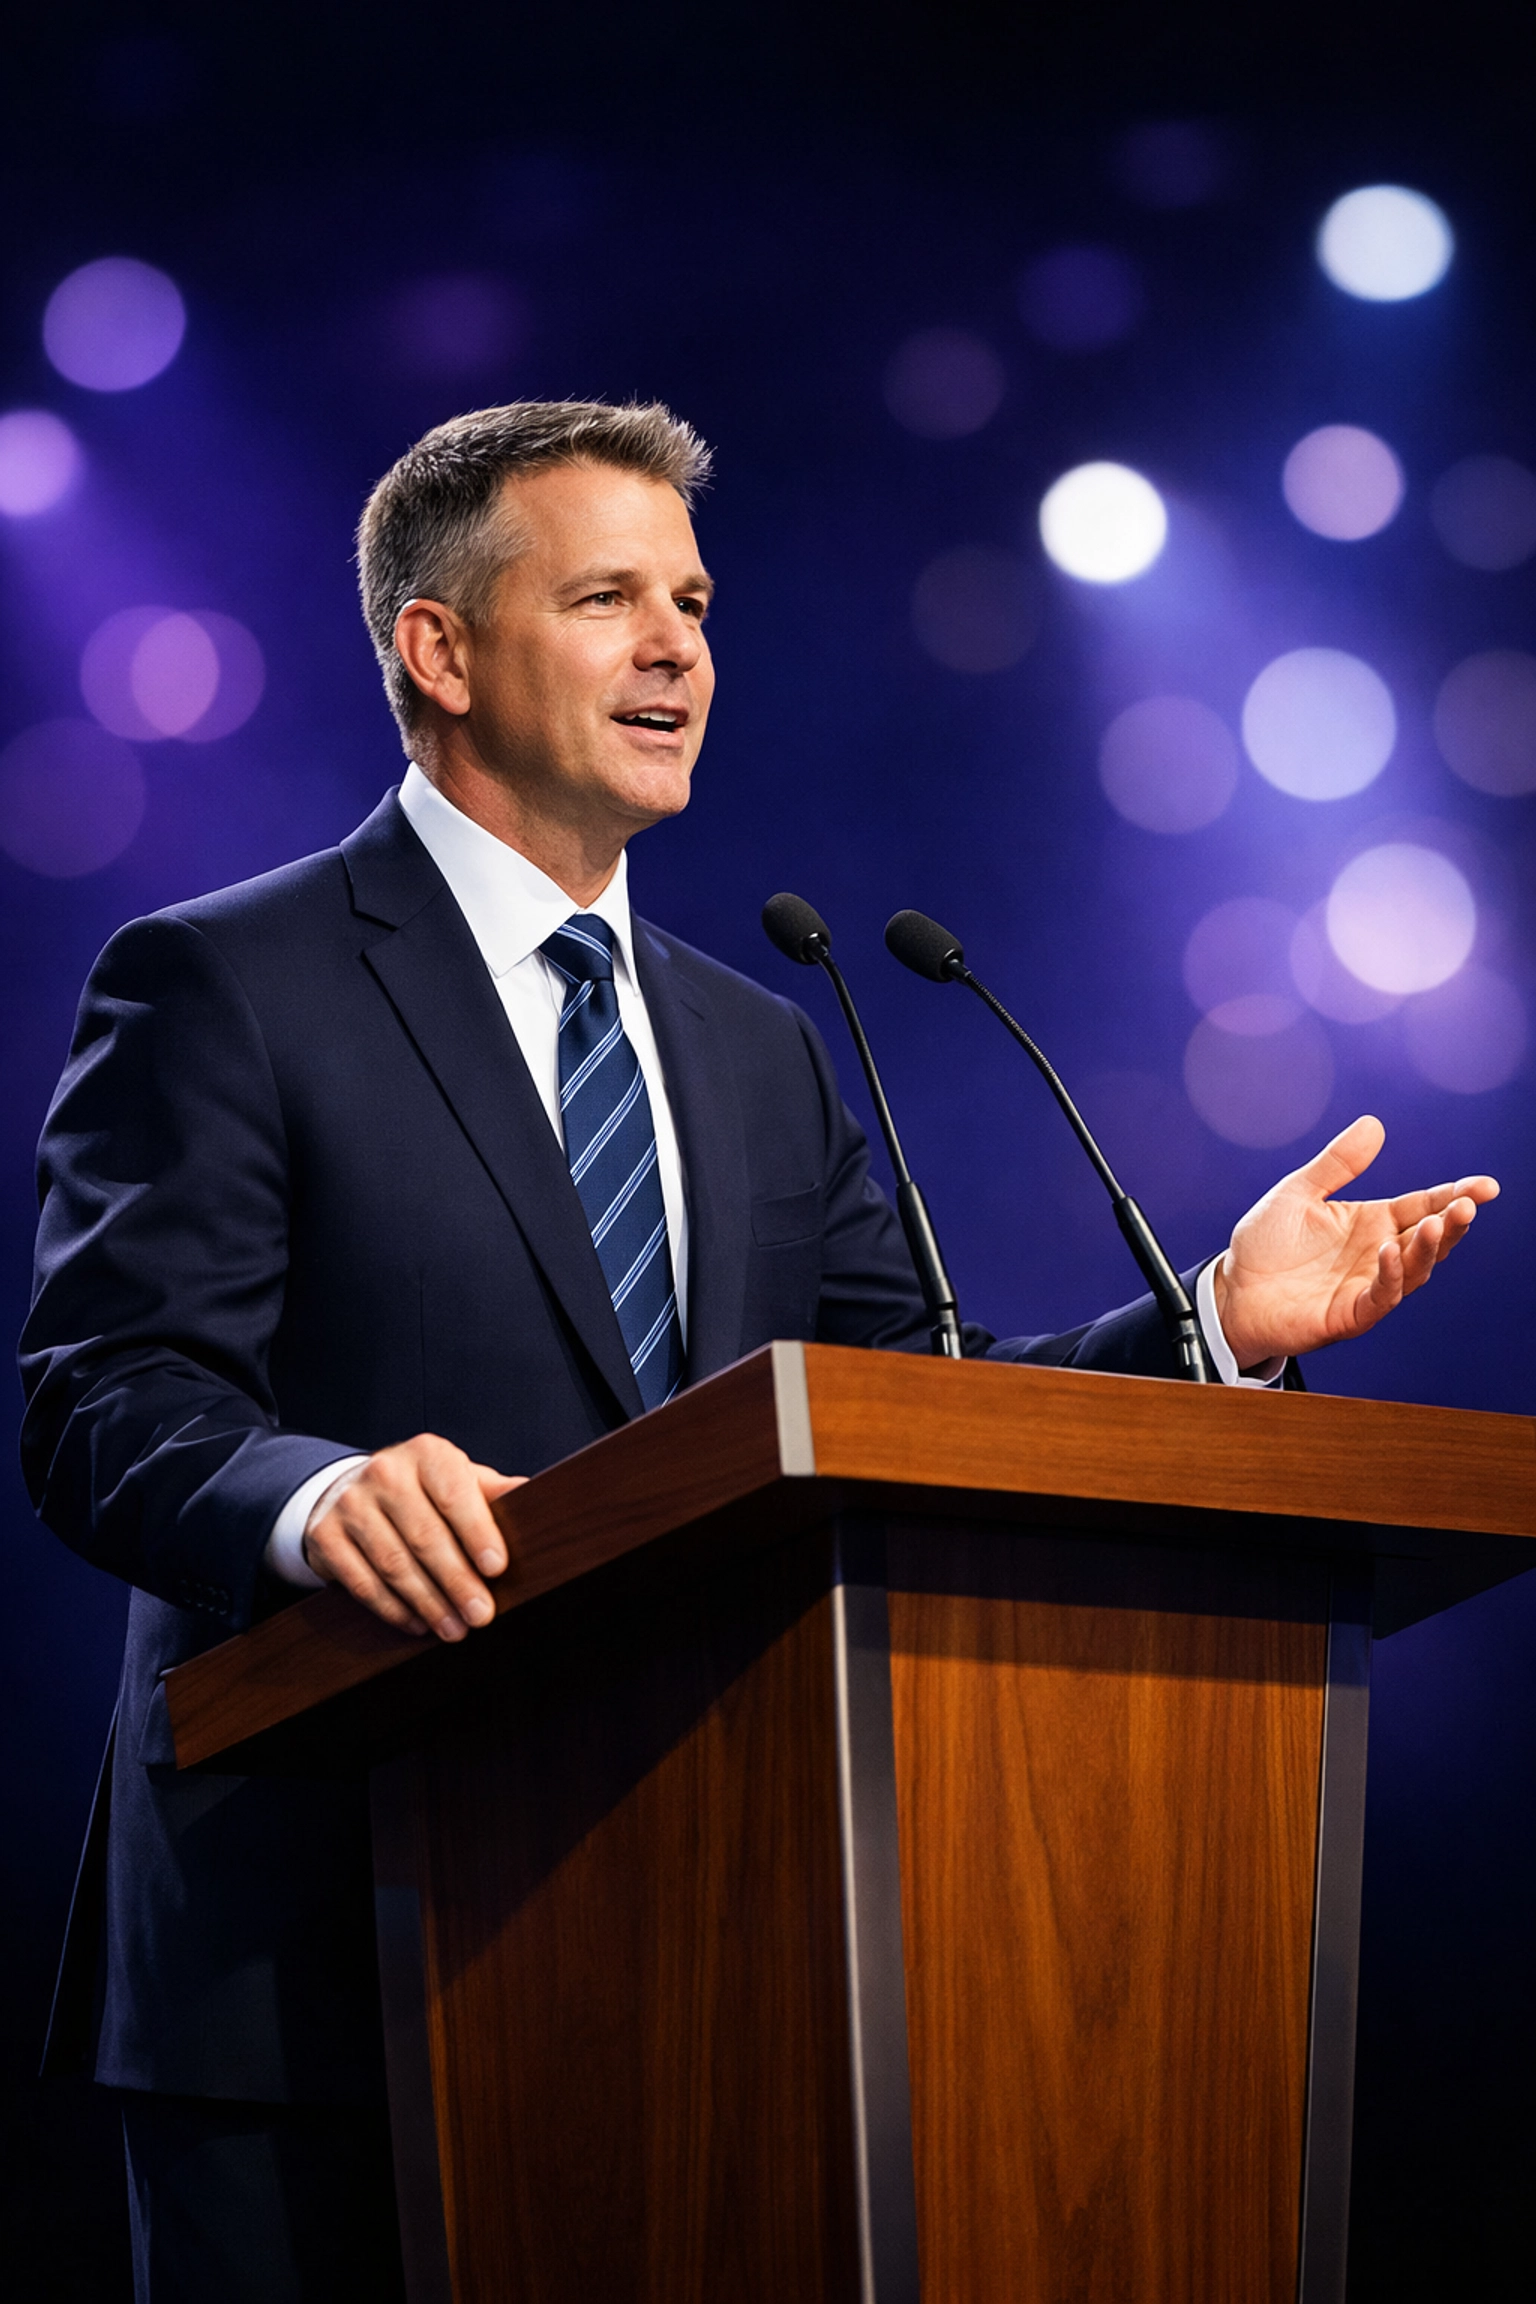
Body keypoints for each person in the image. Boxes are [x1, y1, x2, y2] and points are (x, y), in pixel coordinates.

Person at [20, 400, 1497, 2301]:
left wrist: (1214, 1325)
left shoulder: (757, 1043)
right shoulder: (222, 979)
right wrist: (310, 1503)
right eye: (611, 597)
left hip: (711, 1979)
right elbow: (103, 1398)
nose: (678, 648)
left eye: (696, 602)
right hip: (308, 1965)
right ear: (440, 650)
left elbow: (919, 1415)